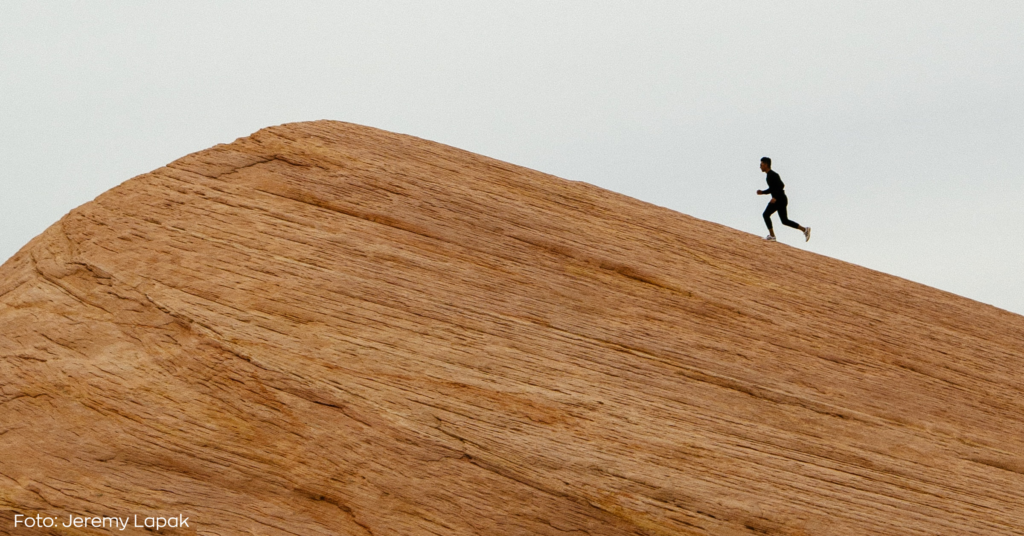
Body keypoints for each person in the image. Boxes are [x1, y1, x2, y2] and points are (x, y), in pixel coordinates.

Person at [757, 157, 810, 242]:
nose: (760, 166)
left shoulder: (772, 175)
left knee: (766, 214)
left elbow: (781, 185)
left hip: (780, 199)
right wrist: (762, 192)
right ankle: (804, 229)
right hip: (781, 199)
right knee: (784, 221)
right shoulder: (769, 176)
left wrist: (775, 197)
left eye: (761, 164)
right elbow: (772, 189)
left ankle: (772, 236)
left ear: (766, 165)